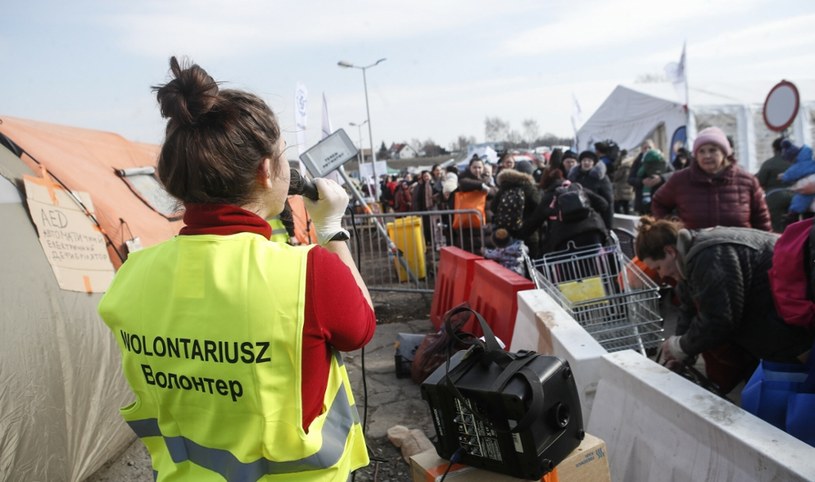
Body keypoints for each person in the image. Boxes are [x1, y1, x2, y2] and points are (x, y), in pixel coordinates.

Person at [97, 56, 375, 481]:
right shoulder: (310, 273)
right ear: (267, 170)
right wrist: (332, 230)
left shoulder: (132, 274)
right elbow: (361, 328)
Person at [636, 216, 812, 393]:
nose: (662, 275)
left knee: (787, 396)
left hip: (787, 328)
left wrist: (680, 346)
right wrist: (680, 351)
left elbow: (718, 320)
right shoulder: (690, 254)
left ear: (670, 251)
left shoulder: (708, 256)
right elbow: (688, 307)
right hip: (772, 321)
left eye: (658, 267)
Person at [651, 127, 771, 231]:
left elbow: (762, 220)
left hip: (741, 252)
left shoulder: (747, 181)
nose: (707, 156)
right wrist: (672, 230)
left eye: (713, 150)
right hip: (695, 252)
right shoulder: (680, 180)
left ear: (724, 153)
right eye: (701, 151)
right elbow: (659, 203)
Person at [755, 137, 793, 232]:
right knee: (794, 223)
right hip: (795, 195)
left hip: (775, 196)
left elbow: (760, 181)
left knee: (775, 226)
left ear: (774, 149)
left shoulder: (769, 163)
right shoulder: (796, 162)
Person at [568, 150, 614, 228]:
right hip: (578, 217)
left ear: (594, 163)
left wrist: (608, 225)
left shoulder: (601, 178)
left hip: (595, 217)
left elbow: (609, 201)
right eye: (584, 160)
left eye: (589, 161)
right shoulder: (575, 177)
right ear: (580, 162)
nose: (586, 163)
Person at [627, 139, 674, 215]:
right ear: (641, 150)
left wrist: (661, 178)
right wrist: (642, 181)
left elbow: (673, 174)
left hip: (661, 199)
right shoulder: (637, 162)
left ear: (654, 147)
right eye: (645, 148)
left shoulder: (662, 160)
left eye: (649, 147)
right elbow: (630, 179)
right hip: (643, 202)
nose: (647, 150)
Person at [779, 141, 815, 224]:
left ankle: (793, 213)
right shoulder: (809, 159)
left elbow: (790, 174)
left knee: (801, 198)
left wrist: (783, 176)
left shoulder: (798, 165)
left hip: (808, 185)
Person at [635, 149, 669, 213]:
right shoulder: (643, 165)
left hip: (663, 200)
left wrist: (661, 178)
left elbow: (674, 175)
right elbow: (634, 177)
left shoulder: (667, 166)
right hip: (647, 199)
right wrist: (642, 181)